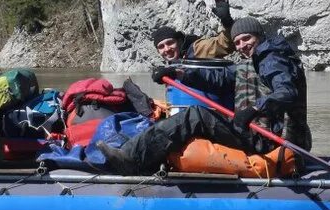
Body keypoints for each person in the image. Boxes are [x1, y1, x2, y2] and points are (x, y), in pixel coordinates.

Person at [94, 16, 310, 174]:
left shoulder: (273, 59)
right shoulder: (254, 61)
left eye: (247, 39)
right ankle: (137, 154)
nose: (242, 45)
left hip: (274, 139)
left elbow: (286, 92)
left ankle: (131, 159)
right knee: (196, 114)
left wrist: (254, 109)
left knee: (194, 115)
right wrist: (177, 73)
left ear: (259, 36)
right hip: (257, 131)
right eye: (237, 42)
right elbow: (220, 77)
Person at [151, 0, 235, 61]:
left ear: (179, 41)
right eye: (161, 46)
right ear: (158, 51)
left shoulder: (197, 49)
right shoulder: (177, 63)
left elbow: (223, 44)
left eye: (170, 43)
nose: (167, 49)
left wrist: (226, 21)